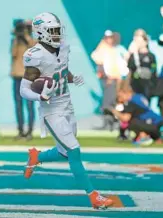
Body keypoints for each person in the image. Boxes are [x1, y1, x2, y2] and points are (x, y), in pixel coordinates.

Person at [20, 12, 113, 209]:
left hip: (67, 105)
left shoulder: (62, 47)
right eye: (52, 31)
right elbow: (24, 90)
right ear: (41, 32)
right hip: (51, 110)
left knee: (64, 153)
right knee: (74, 150)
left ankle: (37, 157)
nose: (57, 35)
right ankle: (94, 196)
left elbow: (61, 70)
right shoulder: (34, 56)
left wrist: (71, 78)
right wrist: (40, 96)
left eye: (57, 30)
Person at [10, 19, 36, 140]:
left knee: (29, 104)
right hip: (17, 75)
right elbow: (13, 53)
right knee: (18, 104)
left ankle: (29, 131)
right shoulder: (15, 40)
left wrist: (26, 36)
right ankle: (20, 130)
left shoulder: (32, 40)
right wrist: (17, 38)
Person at [127, 29, 157, 102]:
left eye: (140, 41)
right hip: (135, 84)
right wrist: (130, 52)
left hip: (147, 85)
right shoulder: (133, 55)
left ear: (145, 41)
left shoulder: (150, 56)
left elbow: (153, 70)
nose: (138, 44)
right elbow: (129, 67)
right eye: (136, 41)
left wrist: (152, 85)